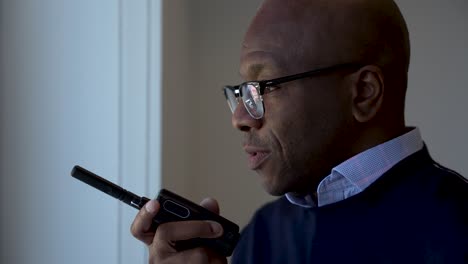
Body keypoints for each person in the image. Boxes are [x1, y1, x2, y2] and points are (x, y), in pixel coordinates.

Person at [131, 0, 468, 263]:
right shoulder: (263, 235)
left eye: (264, 87)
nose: (239, 117)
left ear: (364, 93)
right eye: (242, 90)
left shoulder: (458, 229)